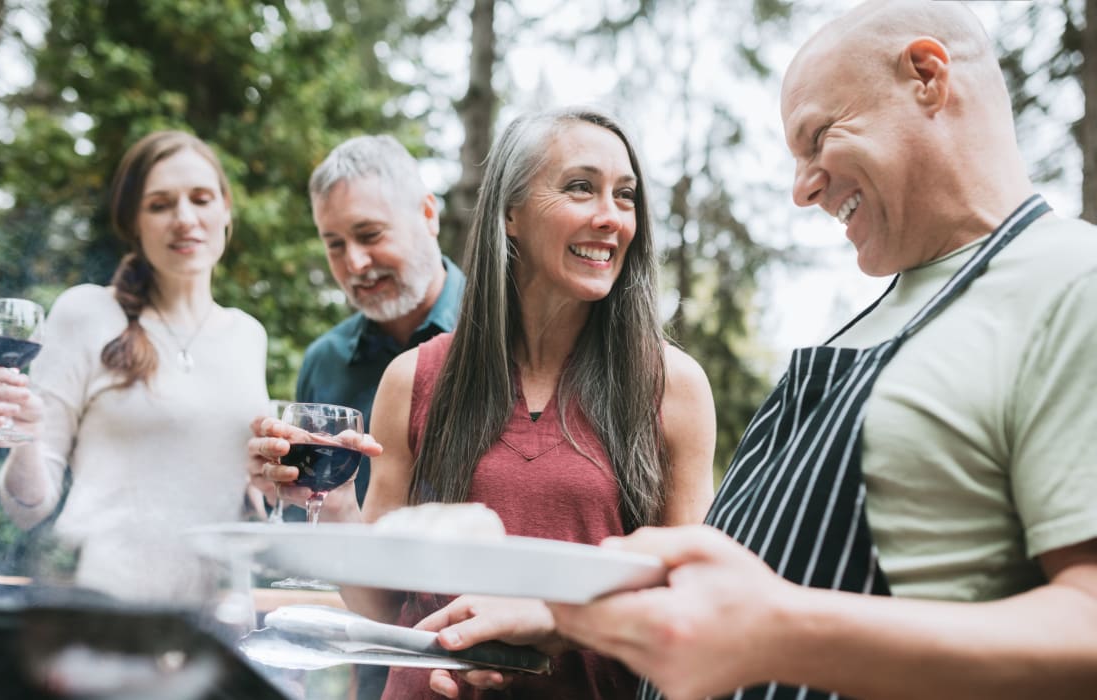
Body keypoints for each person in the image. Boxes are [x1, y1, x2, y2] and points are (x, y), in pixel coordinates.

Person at [451, 2, 1097, 699]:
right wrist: (562, 618)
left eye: (818, 137)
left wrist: (781, 633)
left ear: (928, 76)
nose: (802, 187)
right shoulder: (890, 314)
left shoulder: (1070, 282)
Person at [249, 105, 718, 699]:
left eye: (625, 197)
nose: (610, 218)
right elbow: (381, 601)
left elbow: (692, 603)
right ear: (511, 213)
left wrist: (553, 622)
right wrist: (336, 503)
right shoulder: (413, 377)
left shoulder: (672, 384)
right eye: (580, 187)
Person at [0, 130, 268, 604]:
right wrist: (24, 438)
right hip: (99, 608)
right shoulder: (85, 313)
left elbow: (242, 497)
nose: (185, 219)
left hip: (213, 622)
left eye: (201, 199)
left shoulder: (248, 335)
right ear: (134, 222)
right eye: (160, 204)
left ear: (226, 210)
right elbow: (26, 508)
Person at [292, 134, 465, 508]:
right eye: (335, 245)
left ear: (428, 215)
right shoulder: (324, 362)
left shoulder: (508, 338)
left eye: (370, 235)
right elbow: (308, 518)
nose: (355, 263)